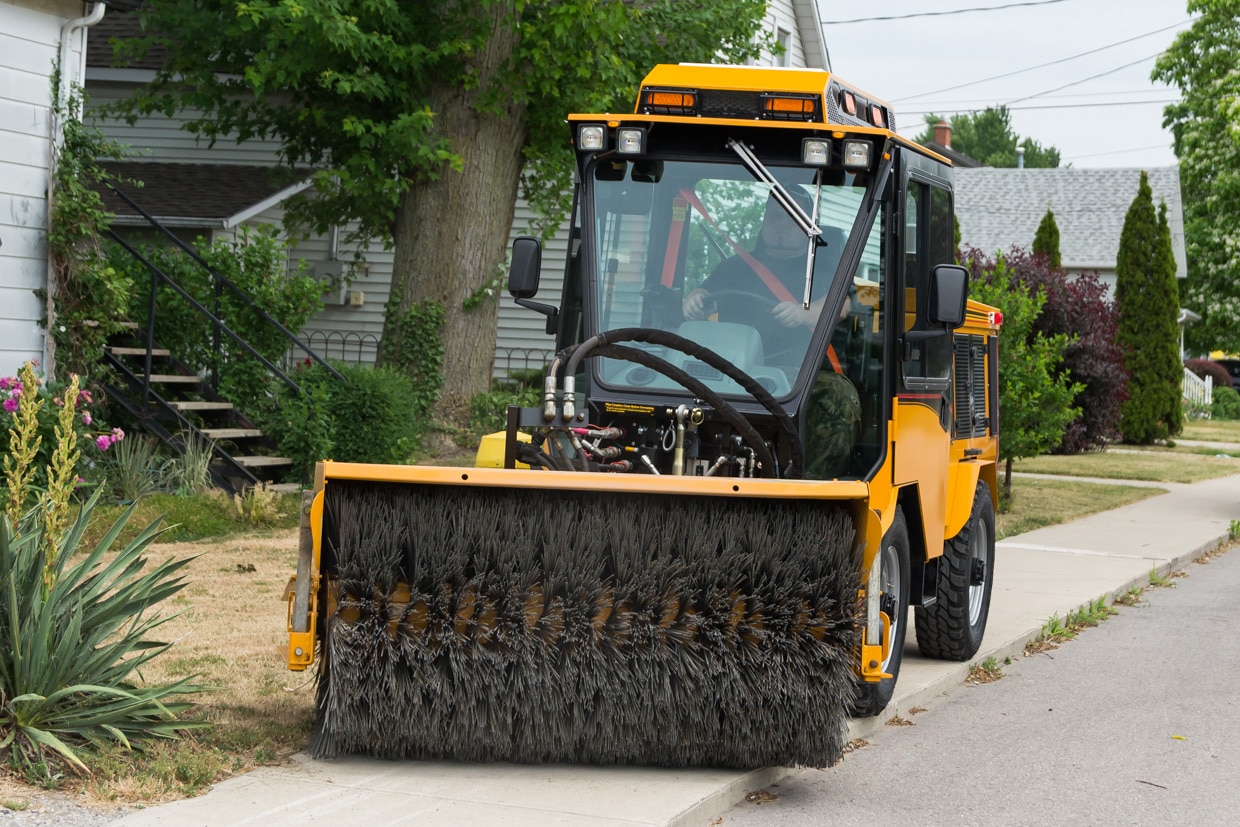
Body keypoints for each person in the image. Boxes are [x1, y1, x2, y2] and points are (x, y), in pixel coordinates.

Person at [681, 192, 842, 361]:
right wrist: (694, 300)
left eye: (793, 216)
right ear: (764, 220)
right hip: (729, 369)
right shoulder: (735, 266)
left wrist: (802, 313)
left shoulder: (828, 270)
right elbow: (703, 294)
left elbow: (842, 307)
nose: (781, 223)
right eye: (774, 215)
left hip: (802, 376)